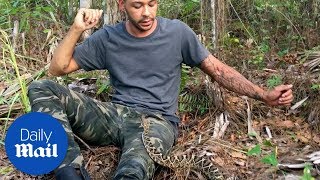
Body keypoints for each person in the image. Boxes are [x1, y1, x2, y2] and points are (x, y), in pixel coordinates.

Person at [27, 0, 294, 179]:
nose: (147, 13)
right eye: (138, 5)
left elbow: (218, 70)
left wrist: (262, 94)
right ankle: (67, 170)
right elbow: (57, 68)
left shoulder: (177, 33)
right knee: (42, 87)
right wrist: (76, 29)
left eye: (152, 3)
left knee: (133, 170)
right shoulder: (108, 38)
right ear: (121, 5)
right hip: (114, 115)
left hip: (157, 121)